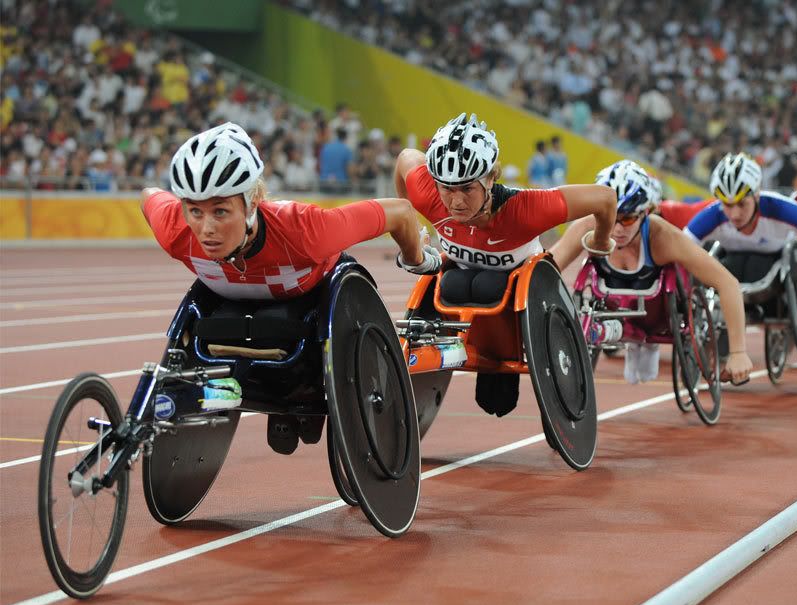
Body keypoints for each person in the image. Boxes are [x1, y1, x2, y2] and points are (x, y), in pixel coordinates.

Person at [141, 121, 440, 454]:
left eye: (221, 211)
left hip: (309, 299)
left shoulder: (306, 229)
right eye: (194, 211)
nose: (206, 229)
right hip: (233, 304)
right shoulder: (176, 229)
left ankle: (300, 394)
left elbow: (400, 212)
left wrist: (418, 260)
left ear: (252, 202)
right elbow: (149, 197)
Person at [393, 112, 617, 417]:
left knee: (486, 285)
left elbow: (605, 198)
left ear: (491, 178)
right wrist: (410, 223)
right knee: (453, 283)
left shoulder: (527, 209)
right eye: (447, 188)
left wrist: (602, 241)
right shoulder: (430, 196)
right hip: (459, 284)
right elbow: (406, 158)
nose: (456, 201)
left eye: (468, 189)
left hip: (518, 298)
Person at [550, 160, 753, 386]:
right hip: (615, 314)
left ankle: (644, 345)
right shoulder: (587, 227)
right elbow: (547, 268)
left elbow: (727, 282)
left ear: (646, 212)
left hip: (659, 316)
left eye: (627, 219)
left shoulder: (662, 237)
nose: (617, 228)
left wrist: (738, 352)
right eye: (608, 216)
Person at [684, 153, 797, 317]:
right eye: (727, 205)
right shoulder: (712, 215)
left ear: (756, 195)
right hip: (731, 269)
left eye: (742, 204)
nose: (734, 214)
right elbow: (680, 247)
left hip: (774, 272)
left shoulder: (782, 208)